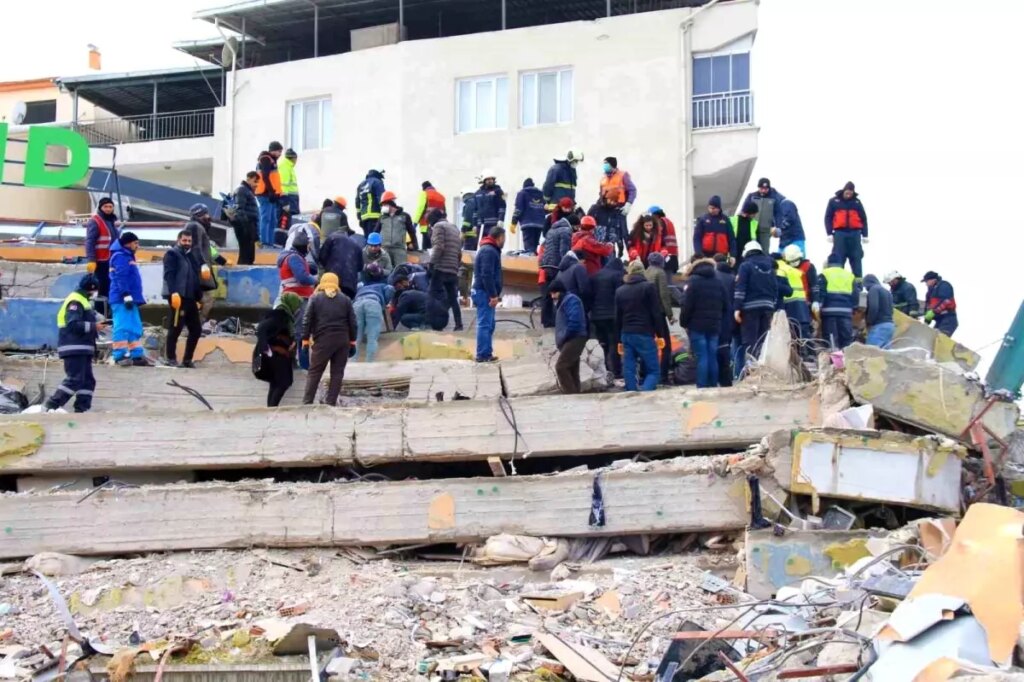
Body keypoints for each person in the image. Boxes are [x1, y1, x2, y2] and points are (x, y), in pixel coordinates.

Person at [301, 273, 357, 405]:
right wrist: (352, 342)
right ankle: (330, 403)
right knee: (337, 373)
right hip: (342, 341)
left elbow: (306, 320)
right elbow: (353, 323)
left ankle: (307, 402)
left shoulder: (315, 298)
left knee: (315, 371)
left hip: (322, 341)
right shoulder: (346, 299)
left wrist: (305, 340)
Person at [680, 258, 727, 388]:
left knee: (702, 356)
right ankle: (713, 384)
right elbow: (726, 305)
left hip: (697, 326)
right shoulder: (718, 282)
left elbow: (687, 305)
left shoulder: (693, 282)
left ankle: (702, 386)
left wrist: (684, 322)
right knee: (712, 355)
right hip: (714, 325)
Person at [615, 260, 661, 392]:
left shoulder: (620, 291)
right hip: (644, 333)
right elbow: (655, 313)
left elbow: (618, 317)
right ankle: (645, 392)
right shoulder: (649, 287)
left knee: (629, 368)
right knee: (653, 370)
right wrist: (660, 333)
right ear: (643, 272)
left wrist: (618, 338)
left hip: (626, 334)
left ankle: (631, 392)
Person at [734, 241, 779, 370]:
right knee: (763, 340)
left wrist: (737, 307)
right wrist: (773, 305)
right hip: (768, 307)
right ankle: (763, 368)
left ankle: (751, 369)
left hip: (750, 308)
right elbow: (774, 287)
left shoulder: (745, 266)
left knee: (749, 340)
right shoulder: (770, 266)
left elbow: (741, 288)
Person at [278, 230, 318, 368]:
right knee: (302, 332)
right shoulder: (295, 258)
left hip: (293, 297)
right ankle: (304, 365)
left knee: (294, 331)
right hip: (299, 298)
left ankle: (292, 362)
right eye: (307, 246)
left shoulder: (290, 257)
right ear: (303, 245)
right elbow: (303, 278)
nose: (309, 249)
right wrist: (317, 279)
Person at [162, 230, 203, 367]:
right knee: (176, 328)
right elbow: (169, 275)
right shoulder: (172, 254)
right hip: (178, 297)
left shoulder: (191, 256)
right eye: (184, 240)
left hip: (190, 297)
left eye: (189, 241)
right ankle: (171, 358)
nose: (187, 243)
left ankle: (187, 360)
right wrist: (173, 293)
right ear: (179, 240)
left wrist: (198, 297)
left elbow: (195, 277)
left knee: (196, 329)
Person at [108, 232, 148, 366]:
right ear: (128, 243)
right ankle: (119, 355)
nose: (138, 246)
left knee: (133, 326)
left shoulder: (126, 256)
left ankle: (136, 354)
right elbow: (120, 276)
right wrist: (125, 294)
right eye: (135, 243)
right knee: (122, 326)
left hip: (129, 297)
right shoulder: (121, 257)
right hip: (122, 298)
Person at [254, 293, 301, 407]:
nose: (297, 309)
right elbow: (262, 329)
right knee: (283, 383)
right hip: (275, 355)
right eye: (296, 306)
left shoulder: (284, 314)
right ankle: (272, 409)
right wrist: (269, 348)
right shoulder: (281, 314)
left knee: (275, 383)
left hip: (275, 354)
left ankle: (270, 409)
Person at [427, 207, 464, 330]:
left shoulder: (438, 227)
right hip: (452, 269)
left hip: (441, 268)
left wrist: (431, 264)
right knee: (453, 298)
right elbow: (459, 251)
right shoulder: (454, 228)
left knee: (432, 296)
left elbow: (439, 247)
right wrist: (456, 265)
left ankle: (434, 324)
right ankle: (459, 325)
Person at [472, 226, 505, 363]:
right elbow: (487, 274)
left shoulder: (489, 249)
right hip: (484, 292)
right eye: (504, 238)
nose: (504, 241)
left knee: (488, 324)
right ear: (499, 238)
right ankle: (483, 355)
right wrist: (493, 295)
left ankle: (486, 352)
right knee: (485, 324)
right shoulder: (489, 251)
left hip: (485, 292)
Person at [550, 280, 588, 394]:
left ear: (560, 291)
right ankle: (576, 394)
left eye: (553, 293)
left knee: (561, 367)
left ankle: (571, 395)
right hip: (572, 338)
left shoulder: (571, 300)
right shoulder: (565, 301)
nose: (552, 296)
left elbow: (574, 322)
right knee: (572, 369)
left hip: (575, 338)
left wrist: (564, 337)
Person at [84, 197, 121, 316]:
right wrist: (91, 259)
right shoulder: (95, 221)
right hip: (100, 262)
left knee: (111, 288)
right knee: (101, 289)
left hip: (111, 261)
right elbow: (90, 241)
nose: (108, 209)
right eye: (106, 207)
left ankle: (108, 314)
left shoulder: (112, 221)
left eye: (110, 207)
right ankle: (100, 315)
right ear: (100, 207)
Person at [824, 181, 868, 278]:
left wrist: (865, 235)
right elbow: (828, 217)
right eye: (847, 192)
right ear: (844, 191)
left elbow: (863, 218)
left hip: (855, 234)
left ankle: (858, 285)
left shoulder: (857, 202)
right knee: (839, 258)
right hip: (840, 234)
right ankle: (837, 281)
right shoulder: (833, 201)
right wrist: (829, 233)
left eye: (850, 193)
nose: (848, 195)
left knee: (856, 259)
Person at [590, 257, 624, 378]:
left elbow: (590, 295)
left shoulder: (595, 276)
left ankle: (604, 370)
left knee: (602, 344)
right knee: (614, 344)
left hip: (596, 317)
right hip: (612, 316)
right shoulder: (617, 276)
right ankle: (617, 371)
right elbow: (620, 296)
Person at [817, 254, 859, 350]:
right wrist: (854, 307)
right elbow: (855, 294)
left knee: (831, 340)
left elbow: (821, 291)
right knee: (846, 340)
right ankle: (846, 361)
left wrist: (819, 306)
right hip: (846, 312)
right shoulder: (849, 275)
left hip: (829, 312)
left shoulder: (824, 273)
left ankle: (834, 362)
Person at [353, 264, 394, 362]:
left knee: (355, 338)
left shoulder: (360, 286)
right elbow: (390, 289)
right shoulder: (383, 285)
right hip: (373, 302)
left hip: (357, 304)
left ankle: (352, 363)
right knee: (372, 338)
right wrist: (385, 302)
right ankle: (369, 364)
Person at [645, 251, 675, 384]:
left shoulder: (645, 273)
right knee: (665, 345)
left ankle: (648, 373)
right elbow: (664, 295)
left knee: (649, 344)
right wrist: (670, 315)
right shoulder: (660, 273)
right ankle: (663, 376)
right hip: (659, 314)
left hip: (647, 314)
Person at [538, 216, 573, 328]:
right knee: (559, 292)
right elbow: (564, 251)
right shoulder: (566, 231)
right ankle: (557, 320)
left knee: (547, 294)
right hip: (556, 266)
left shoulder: (551, 230)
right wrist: (567, 264)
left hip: (546, 265)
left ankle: (546, 320)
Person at [597, 157, 637, 253]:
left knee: (623, 233)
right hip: (606, 210)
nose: (605, 166)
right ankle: (611, 256)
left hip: (620, 209)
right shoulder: (603, 179)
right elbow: (600, 194)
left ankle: (632, 257)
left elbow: (632, 190)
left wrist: (628, 204)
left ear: (613, 165)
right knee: (609, 234)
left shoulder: (623, 175)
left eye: (607, 163)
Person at [781, 244, 818, 345]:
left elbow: (814, 285)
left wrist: (815, 301)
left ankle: (807, 352)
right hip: (791, 302)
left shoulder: (808, 267)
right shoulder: (785, 268)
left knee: (805, 330)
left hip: (805, 302)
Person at [319, 224, 363, 298]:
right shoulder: (357, 245)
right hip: (350, 285)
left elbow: (322, 257)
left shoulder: (332, 237)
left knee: (328, 304)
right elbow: (360, 267)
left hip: (332, 281)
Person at [712, 254, 736, 387]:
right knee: (726, 348)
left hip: (715, 317)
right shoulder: (733, 278)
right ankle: (727, 380)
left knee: (713, 350)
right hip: (730, 316)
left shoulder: (714, 277)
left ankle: (714, 380)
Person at [378, 191, 417, 267]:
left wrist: (414, 244)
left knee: (400, 271)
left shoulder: (404, 216)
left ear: (391, 204)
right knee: (385, 271)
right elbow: (375, 232)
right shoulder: (382, 218)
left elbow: (411, 232)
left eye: (384, 204)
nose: (383, 207)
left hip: (399, 250)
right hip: (384, 249)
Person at [745, 178, 785, 252]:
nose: (763, 190)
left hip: (766, 230)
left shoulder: (774, 198)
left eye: (766, 189)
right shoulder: (751, 196)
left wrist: (779, 227)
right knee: (750, 250)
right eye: (761, 188)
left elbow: (778, 214)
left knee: (764, 251)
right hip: (751, 229)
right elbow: (744, 210)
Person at [255, 141, 283, 246]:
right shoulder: (266, 159)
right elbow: (265, 176)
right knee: (266, 218)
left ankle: (269, 243)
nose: (280, 154)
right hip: (265, 193)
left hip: (270, 194)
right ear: (273, 150)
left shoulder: (271, 160)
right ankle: (265, 242)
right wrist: (271, 191)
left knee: (271, 220)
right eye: (279, 151)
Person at [511, 178, 546, 254]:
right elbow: (545, 208)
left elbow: (518, 209)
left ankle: (530, 258)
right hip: (539, 224)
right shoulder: (541, 194)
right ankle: (534, 260)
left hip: (527, 223)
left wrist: (514, 222)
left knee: (529, 248)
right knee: (534, 245)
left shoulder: (522, 193)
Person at [693, 195, 734, 259]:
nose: (711, 210)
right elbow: (697, 237)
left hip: (721, 256)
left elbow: (731, 239)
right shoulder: (703, 219)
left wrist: (733, 255)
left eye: (714, 208)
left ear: (719, 208)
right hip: (705, 255)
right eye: (710, 207)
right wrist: (699, 253)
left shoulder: (726, 220)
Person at [472, 172, 506, 249]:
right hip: (480, 225)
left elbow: (502, 206)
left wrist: (501, 219)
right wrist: (474, 224)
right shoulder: (477, 193)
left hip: (493, 224)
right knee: (481, 245)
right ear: (484, 181)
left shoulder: (498, 191)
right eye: (488, 179)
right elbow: (475, 210)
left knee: (493, 244)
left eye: (492, 179)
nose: (490, 181)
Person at [233, 172, 260, 265]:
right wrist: (245, 226)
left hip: (249, 225)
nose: (256, 185)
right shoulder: (242, 190)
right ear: (248, 178)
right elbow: (239, 209)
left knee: (249, 254)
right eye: (255, 181)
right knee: (245, 254)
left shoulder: (247, 191)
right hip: (245, 225)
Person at [862, 274, 895, 348]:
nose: (866, 288)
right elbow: (892, 310)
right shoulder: (886, 291)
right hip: (889, 325)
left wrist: (869, 321)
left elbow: (873, 307)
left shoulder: (874, 289)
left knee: (872, 352)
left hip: (879, 326)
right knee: (886, 354)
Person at [922, 271, 958, 337]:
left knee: (940, 338)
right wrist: (927, 319)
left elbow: (946, 301)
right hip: (939, 320)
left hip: (948, 318)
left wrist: (934, 311)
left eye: (926, 281)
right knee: (932, 337)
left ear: (933, 280)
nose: (926, 284)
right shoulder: (929, 293)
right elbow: (928, 306)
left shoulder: (944, 285)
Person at [413, 181, 446, 250]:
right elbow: (444, 212)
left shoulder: (424, 194)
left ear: (424, 188)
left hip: (426, 224)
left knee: (426, 248)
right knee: (435, 245)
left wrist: (415, 223)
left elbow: (420, 208)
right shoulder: (441, 196)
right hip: (439, 226)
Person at [649, 206, 679, 273]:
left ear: (655, 214)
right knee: (669, 280)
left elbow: (658, 238)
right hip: (673, 255)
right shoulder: (669, 222)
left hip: (663, 254)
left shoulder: (660, 222)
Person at [356, 169, 386, 235]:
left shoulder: (361, 185)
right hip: (375, 217)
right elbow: (382, 198)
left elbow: (357, 201)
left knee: (368, 239)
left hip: (364, 217)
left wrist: (359, 216)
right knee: (376, 240)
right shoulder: (377, 182)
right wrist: (385, 212)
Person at [729, 201, 759, 267]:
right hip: (733, 255)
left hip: (747, 256)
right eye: (754, 213)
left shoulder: (755, 223)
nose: (754, 215)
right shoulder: (732, 220)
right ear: (748, 212)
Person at [279, 148, 300, 218]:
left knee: (294, 217)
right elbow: (284, 185)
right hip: (290, 198)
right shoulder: (285, 167)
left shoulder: (288, 166)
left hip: (292, 198)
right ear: (293, 158)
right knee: (292, 218)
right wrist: (285, 202)